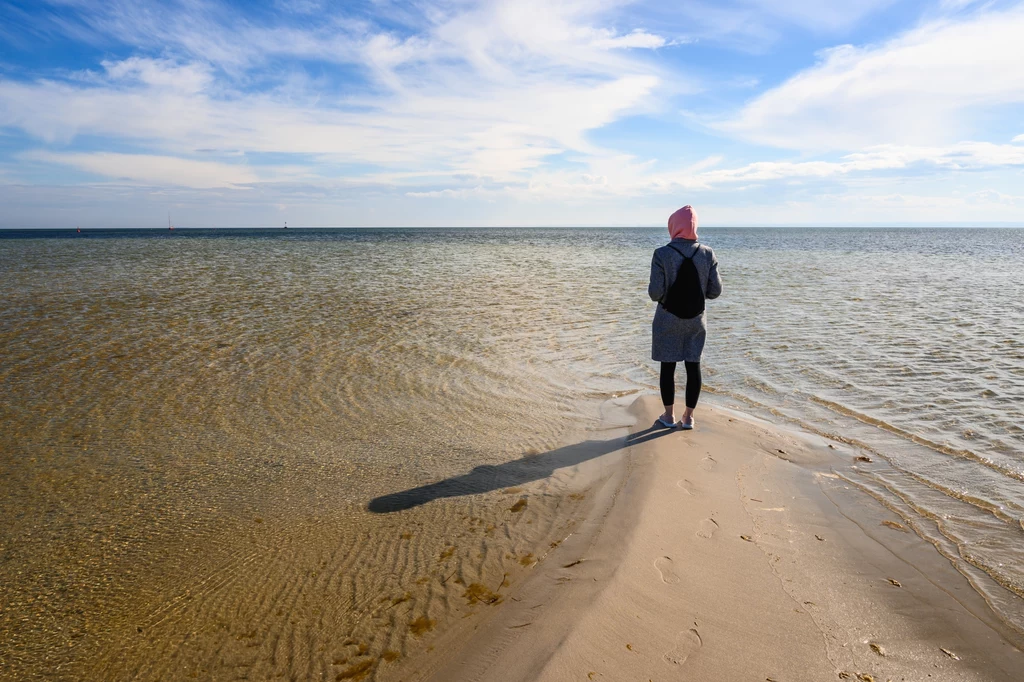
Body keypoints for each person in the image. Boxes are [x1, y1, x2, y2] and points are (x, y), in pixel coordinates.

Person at [648, 205, 722, 430]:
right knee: (693, 366)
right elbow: (715, 291)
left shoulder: (662, 253)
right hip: (696, 319)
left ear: (673, 226)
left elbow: (655, 293)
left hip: (667, 318)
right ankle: (688, 417)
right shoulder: (707, 253)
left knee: (667, 367)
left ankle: (668, 416)